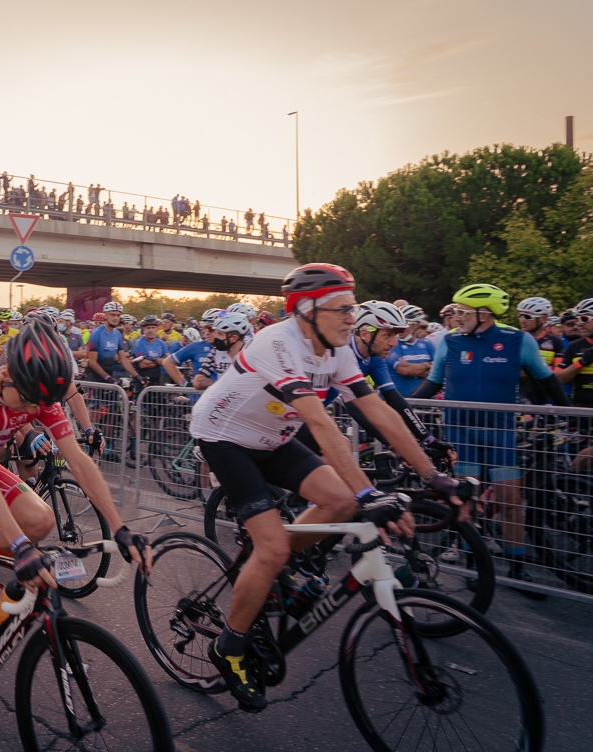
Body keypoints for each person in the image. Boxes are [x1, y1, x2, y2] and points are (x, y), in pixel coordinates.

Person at [190, 263, 461, 713]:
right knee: (275, 547)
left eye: (351, 309)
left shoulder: (336, 349)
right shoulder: (277, 343)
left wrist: (435, 476)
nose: (350, 319)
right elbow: (319, 421)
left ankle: (277, 577)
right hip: (226, 438)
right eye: (342, 310)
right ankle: (230, 646)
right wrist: (370, 495)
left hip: (272, 437)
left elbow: (380, 413)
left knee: (337, 500)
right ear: (306, 311)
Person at [0, 322, 150, 749]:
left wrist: (121, 527)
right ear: (8, 375)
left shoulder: (38, 395)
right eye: (32, 400)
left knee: (40, 520)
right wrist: (18, 550)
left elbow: (78, 460)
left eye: (44, 402)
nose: (37, 408)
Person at [411, 283, 569, 595]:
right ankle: (474, 564)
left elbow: (546, 379)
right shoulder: (449, 342)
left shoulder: (518, 340)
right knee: (466, 500)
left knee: (510, 501)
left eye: (462, 312)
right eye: (455, 312)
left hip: (500, 435)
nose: (456, 317)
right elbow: (432, 382)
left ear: (484, 314)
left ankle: (519, 570)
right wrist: (403, 408)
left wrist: (571, 413)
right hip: (461, 436)